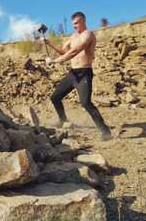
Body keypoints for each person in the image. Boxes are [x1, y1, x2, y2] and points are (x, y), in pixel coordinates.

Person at [44, 11, 112, 140]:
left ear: (83, 21)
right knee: (55, 97)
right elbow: (64, 51)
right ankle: (63, 120)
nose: (74, 26)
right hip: (73, 73)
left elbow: (75, 51)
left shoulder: (88, 34)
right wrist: (50, 44)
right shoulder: (73, 37)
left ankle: (105, 132)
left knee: (86, 103)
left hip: (84, 73)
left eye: (76, 23)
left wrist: (55, 62)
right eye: (73, 24)